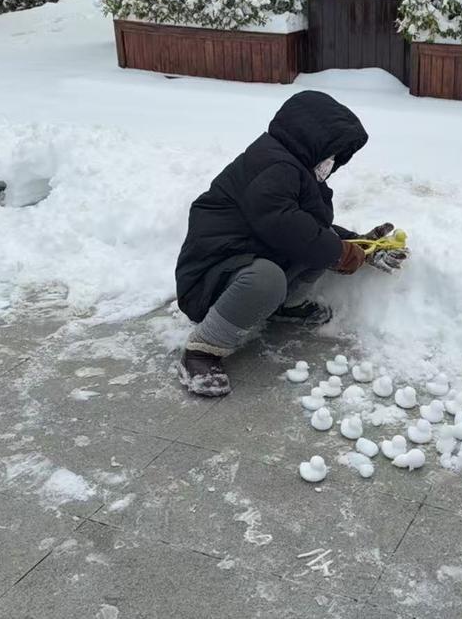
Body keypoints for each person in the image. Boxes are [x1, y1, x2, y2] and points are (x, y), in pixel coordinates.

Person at [174, 90, 407, 397]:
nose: (333, 162)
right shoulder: (272, 166)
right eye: (332, 152)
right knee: (270, 275)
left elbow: (311, 228)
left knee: (316, 247)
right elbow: (283, 224)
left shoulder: (294, 170)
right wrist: (339, 252)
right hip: (210, 278)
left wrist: (360, 245)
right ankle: (201, 352)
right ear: (313, 140)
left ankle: (286, 306)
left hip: (242, 263)